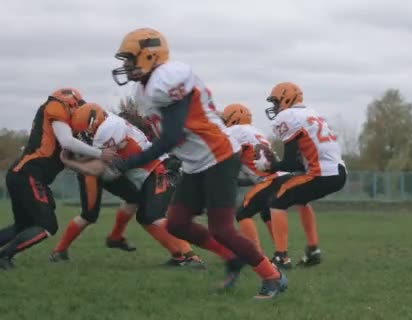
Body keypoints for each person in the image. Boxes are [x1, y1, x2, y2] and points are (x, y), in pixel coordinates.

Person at [109, 28, 286, 299]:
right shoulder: (143, 90)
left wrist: (129, 162)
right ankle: (232, 258)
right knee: (176, 224)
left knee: (222, 229)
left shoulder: (168, 78)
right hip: (195, 162)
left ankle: (272, 276)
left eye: (130, 59)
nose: (126, 66)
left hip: (218, 156)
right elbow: (162, 133)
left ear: (150, 56)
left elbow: (170, 137)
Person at [50, 103, 205, 269]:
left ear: (92, 124)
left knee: (153, 216)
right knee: (145, 217)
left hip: (160, 170)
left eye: (86, 131)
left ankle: (192, 258)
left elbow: (98, 168)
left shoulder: (107, 130)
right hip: (151, 173)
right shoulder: (108, 121)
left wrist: (70, 163)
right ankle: (178, 257)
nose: (86, 135)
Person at [0, 88, 116, 269]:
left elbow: (71, 155)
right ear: (70, 104)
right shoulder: (56, 107)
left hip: (22, 174)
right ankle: (3, 257)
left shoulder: (63, 124)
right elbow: (67, 141)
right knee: (47, 225)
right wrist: (100, 153)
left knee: (22, 226)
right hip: (28, 174)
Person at [255, 82, 347, 267]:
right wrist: (275, 166)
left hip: (322, 173)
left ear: (287, 99)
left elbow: (289, 163)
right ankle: (313, 251)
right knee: (299, 198)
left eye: (276, 102)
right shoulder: (310, 113)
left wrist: (269, 166)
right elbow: (297, 163)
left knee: (277, 199)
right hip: (338, 171)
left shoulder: (289, 116)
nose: (275, 107)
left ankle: (281, 257)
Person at [221, 103, 294, 268]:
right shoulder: (255, 131)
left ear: (233, 118)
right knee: (267, 214)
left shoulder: (234, 131)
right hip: (281, 177)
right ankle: (283, 257)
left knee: (242, 213)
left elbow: (227, 157)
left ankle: (255, 256)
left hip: (270, 180)